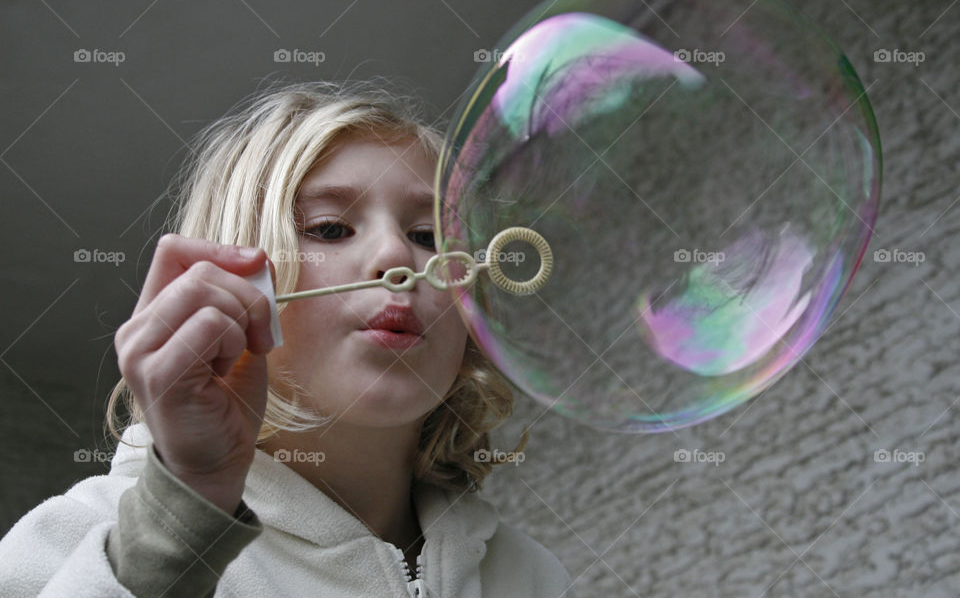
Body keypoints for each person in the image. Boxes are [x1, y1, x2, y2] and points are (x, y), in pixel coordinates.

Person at [0, 81, 575, 597]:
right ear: (232, 281)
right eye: (329, 228)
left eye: (428, 235)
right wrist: (181, 518)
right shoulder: (88, 540)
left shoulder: (531, 579)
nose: (397, 257)